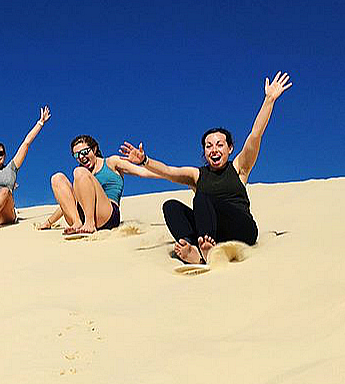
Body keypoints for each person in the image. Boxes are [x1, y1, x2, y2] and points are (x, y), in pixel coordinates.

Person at [120, 71, 292, 263]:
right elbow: (169, 172)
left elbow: (255, 134)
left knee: (202, 197)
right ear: (204, 151)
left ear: (230, 148)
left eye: (220, 144)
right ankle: (191, 246)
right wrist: (145, 161)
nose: (214, 150)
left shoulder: (239, 167)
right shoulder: (197, 175)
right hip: (210, 231)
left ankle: (205, 249)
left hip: (241, 229)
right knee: (171, 206)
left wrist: (269, 100)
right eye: (209, 146)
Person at [38, 134, 157, 234]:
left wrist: (167, 174)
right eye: (77, 155)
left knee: (79, 171)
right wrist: (49, 222)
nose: (81, 157)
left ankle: (90, 223)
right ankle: (77, 222)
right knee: (57, 178)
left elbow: (141, 172)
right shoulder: (81, 175)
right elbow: (69, 202)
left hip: (107, 215)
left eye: (84, 152)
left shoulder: (111, 162)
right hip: (82, 216)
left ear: (94, 150)